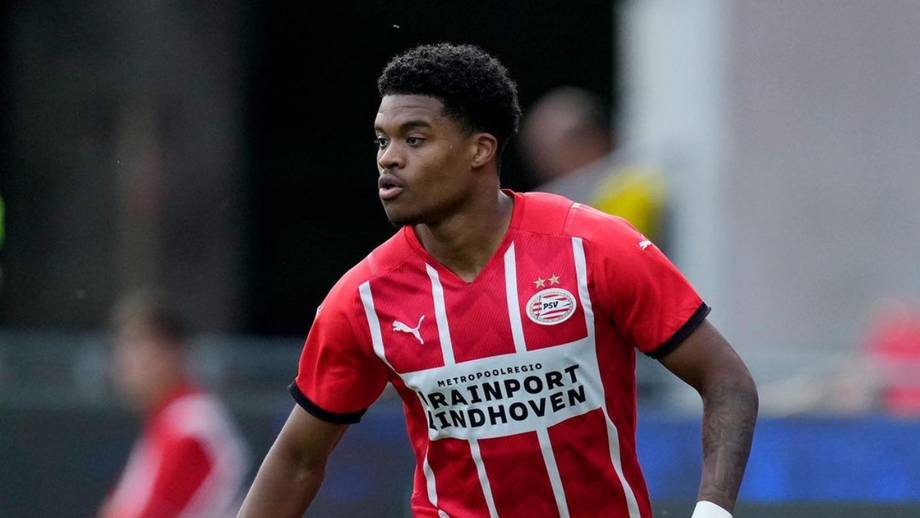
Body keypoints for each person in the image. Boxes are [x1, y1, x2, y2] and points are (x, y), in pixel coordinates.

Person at [238, 43, 757, 518]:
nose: (388, 158)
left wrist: (712, 510)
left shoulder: (595, 248)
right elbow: (298, 458)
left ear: (480, 150)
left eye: (414, 139)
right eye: (382, 140)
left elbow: (726, 381)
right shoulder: (362, 300)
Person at [100, 292, 249, 518]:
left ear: (171, 353)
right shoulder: (169, 421)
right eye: (121, 348)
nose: (124, 361)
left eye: (136, 346)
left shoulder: (191, 423)